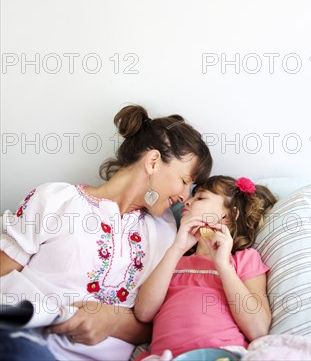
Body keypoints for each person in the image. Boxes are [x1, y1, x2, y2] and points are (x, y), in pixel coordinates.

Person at [0, 104, 212, 361]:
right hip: (18, 337)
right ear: (154, 161)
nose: (183, 197)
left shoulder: (166, 234)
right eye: (184, 181)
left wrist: (110, 320)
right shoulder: (56, 200)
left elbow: (155, 324)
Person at [134, 175, 277, 359]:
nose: (187, 202)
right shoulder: (173, 259)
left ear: (229, 216)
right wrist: (176, 249)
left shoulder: (243, 259)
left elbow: (258, 329)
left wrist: (223, 267)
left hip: (223, 355)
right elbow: (144, 312)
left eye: (200, 197)